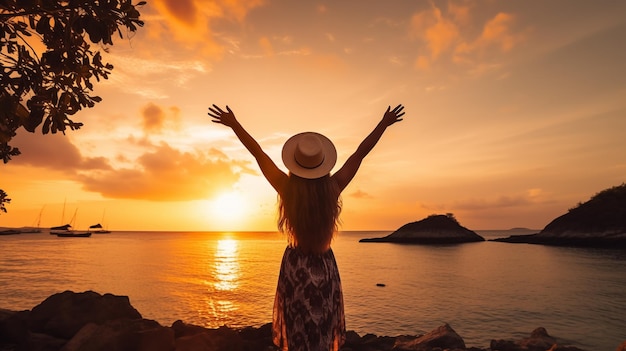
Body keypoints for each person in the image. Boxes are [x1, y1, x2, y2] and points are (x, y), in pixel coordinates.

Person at [208, 104, 405, 351]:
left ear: (295, 165)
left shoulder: (286, 189)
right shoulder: (333, 188)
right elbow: (359, 154)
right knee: (322, 327)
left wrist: (235, 125)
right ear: (323, 164)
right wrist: (384, 124)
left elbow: (258, 153)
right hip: (324, 264)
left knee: (297, 326)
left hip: (295, 267)